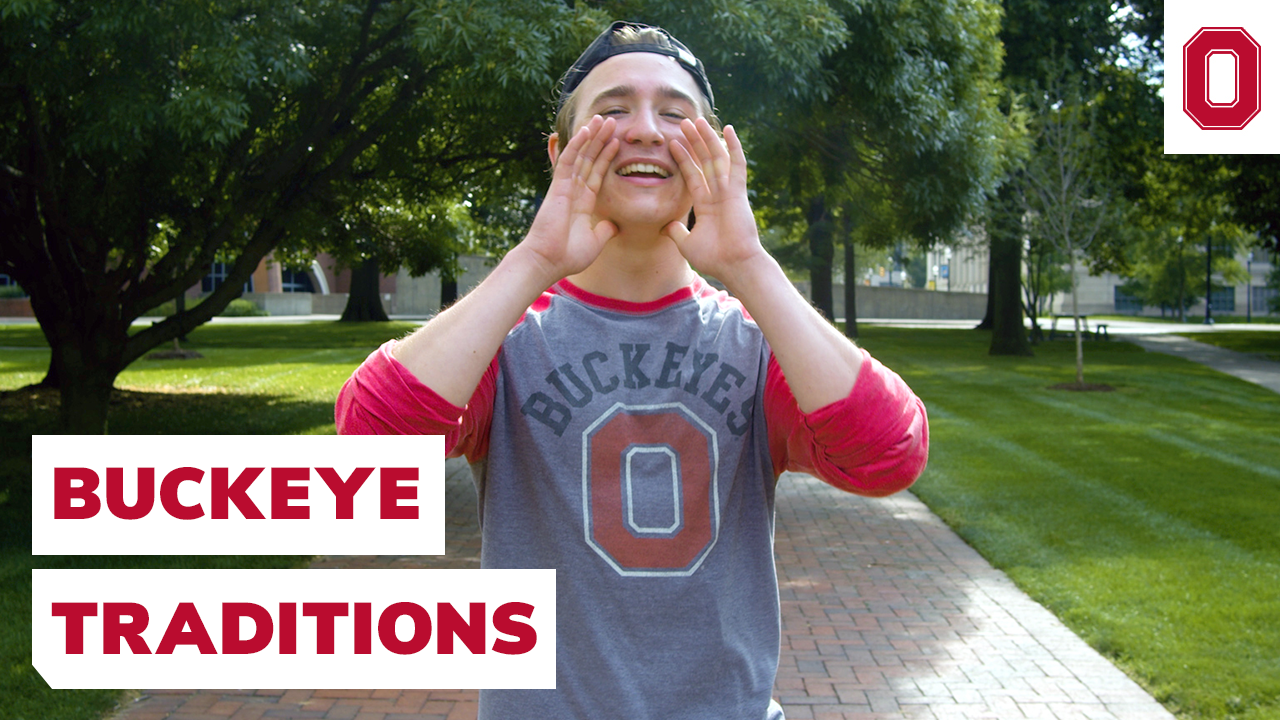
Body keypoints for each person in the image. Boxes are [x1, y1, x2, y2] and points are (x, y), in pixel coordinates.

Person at [336, 21, 928, 720]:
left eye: (675, 114)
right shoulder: (505, 341)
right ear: (559, 152)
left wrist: (748, 265)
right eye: (614, 110)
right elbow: (371, 448)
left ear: (714, 154)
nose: (646, 130)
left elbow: (889, 455)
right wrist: (534, 260)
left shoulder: (760, 343)